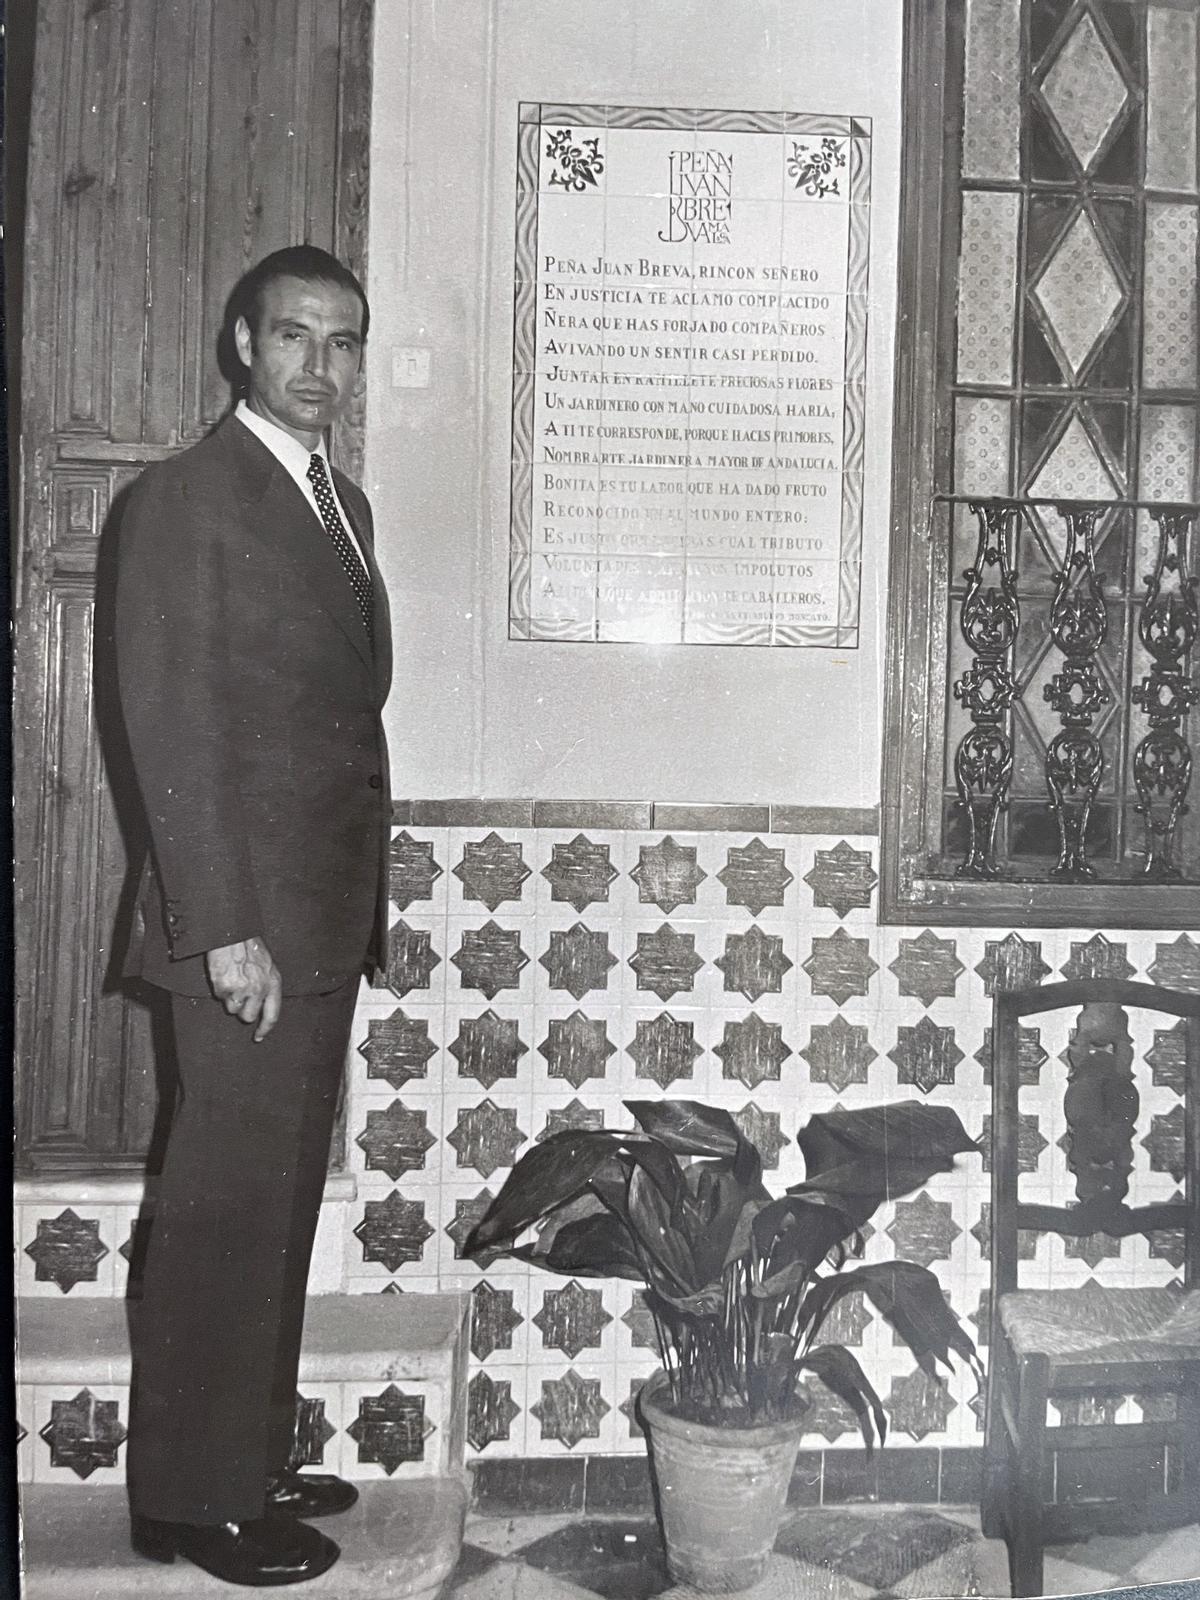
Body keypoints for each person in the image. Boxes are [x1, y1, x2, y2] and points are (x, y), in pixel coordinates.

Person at [115, 245, 391, 1586]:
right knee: (224, 1207)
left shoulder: (346, 508)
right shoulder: (186, 499)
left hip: (315, 923)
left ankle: (248, 1450)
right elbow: (172, 729)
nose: (320, 367)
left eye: (342, 342)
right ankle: (189, 1500)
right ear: (242, 345)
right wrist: (224, 926)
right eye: (295, 337)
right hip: (240, 932)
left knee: (273, 1205)